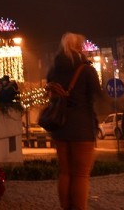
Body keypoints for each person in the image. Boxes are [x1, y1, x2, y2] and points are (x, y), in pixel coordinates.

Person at [46, 32, 102, 210]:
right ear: (79, 47)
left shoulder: (53, 70)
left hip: (59, 126)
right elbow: (97, 96)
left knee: (65, 172)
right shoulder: (86, 69)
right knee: (81, 174)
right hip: (82, 128)